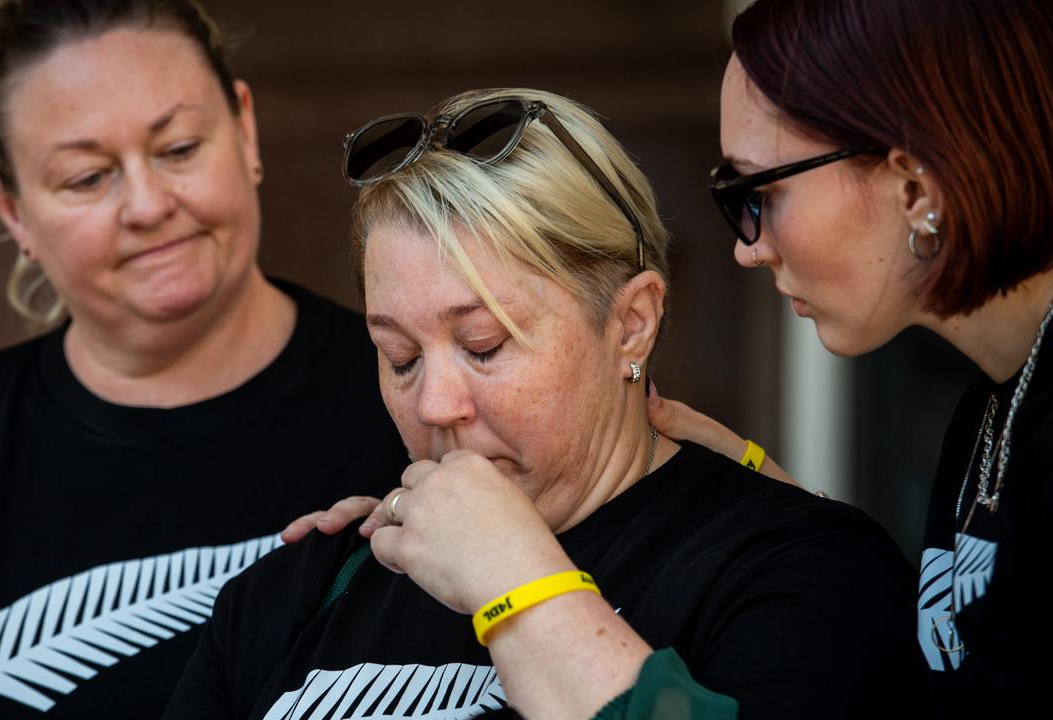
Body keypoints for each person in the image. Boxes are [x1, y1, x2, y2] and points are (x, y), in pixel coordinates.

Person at [166, 88, 923, 720]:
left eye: (485, 345)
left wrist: (515, 580)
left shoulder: (799, 569)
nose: (434, 403)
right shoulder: (302, 589)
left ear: (632, 323)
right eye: (398, 357)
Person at [0, 1, 406, 718]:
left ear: (245, 129)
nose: (147, 204)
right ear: (10, 210)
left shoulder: (429, 415)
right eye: (86, 177)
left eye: (179, 149)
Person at [645, 0, 1053, 715]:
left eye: (759, 192)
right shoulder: (992, 406)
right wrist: (785, 513)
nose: (748, 245)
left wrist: (524, 591)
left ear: (912, 187)